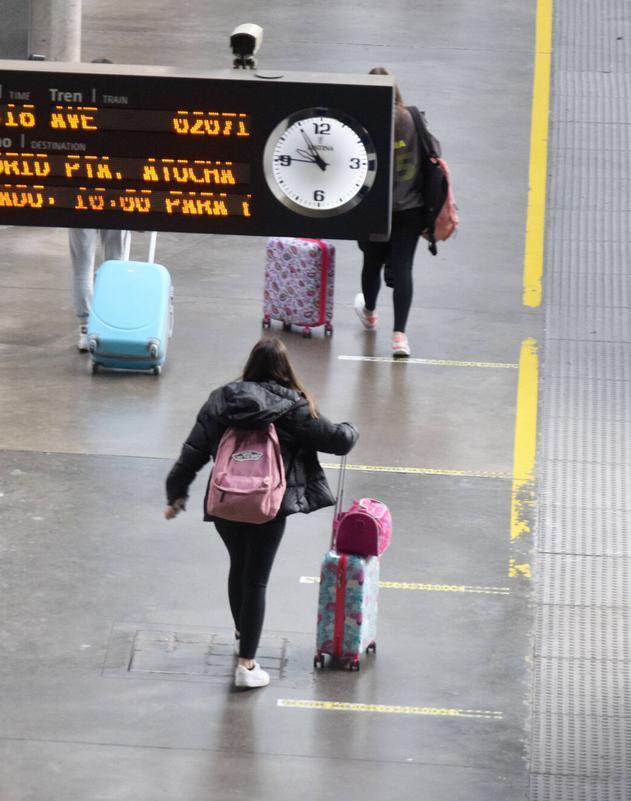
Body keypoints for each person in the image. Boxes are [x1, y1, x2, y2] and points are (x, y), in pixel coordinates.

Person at [164, 338, 359, 689]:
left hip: (225, 501)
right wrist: (351, 428)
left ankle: (243, 633)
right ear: (285, 370)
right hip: (267, 504)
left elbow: (193, 450)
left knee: (239, 567)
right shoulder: (292, 406)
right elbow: (337, 441)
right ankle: (247, 664)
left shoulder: (221, 399)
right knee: (256, 579)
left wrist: (175, 493)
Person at [353, 67, 425, 359]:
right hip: (411, 207)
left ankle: (370, 313)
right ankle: (399, 337)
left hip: (375, 208)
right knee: (404, 267)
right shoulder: (412, 117)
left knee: (372, 261)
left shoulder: (365, 121)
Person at [68, 57, 131, 352]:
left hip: (80, 195)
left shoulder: (76, 110)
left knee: (83, 263)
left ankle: (85, 327)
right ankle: (113, 320)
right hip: (118, 195)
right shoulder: (125, 111)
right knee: (116, 261)